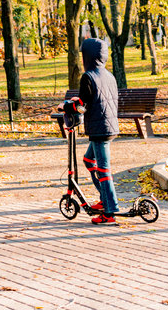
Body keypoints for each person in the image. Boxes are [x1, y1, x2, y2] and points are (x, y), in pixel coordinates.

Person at [60, 38, 120, 225]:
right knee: (88, 160)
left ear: (87, 56)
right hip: (109, 126)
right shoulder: (108, 75)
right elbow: (96, 98)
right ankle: (104, 197)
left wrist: (67, 106)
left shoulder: (88, 76)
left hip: (99, 129)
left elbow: (82, 107)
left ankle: (110, 212)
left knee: (103, 170)